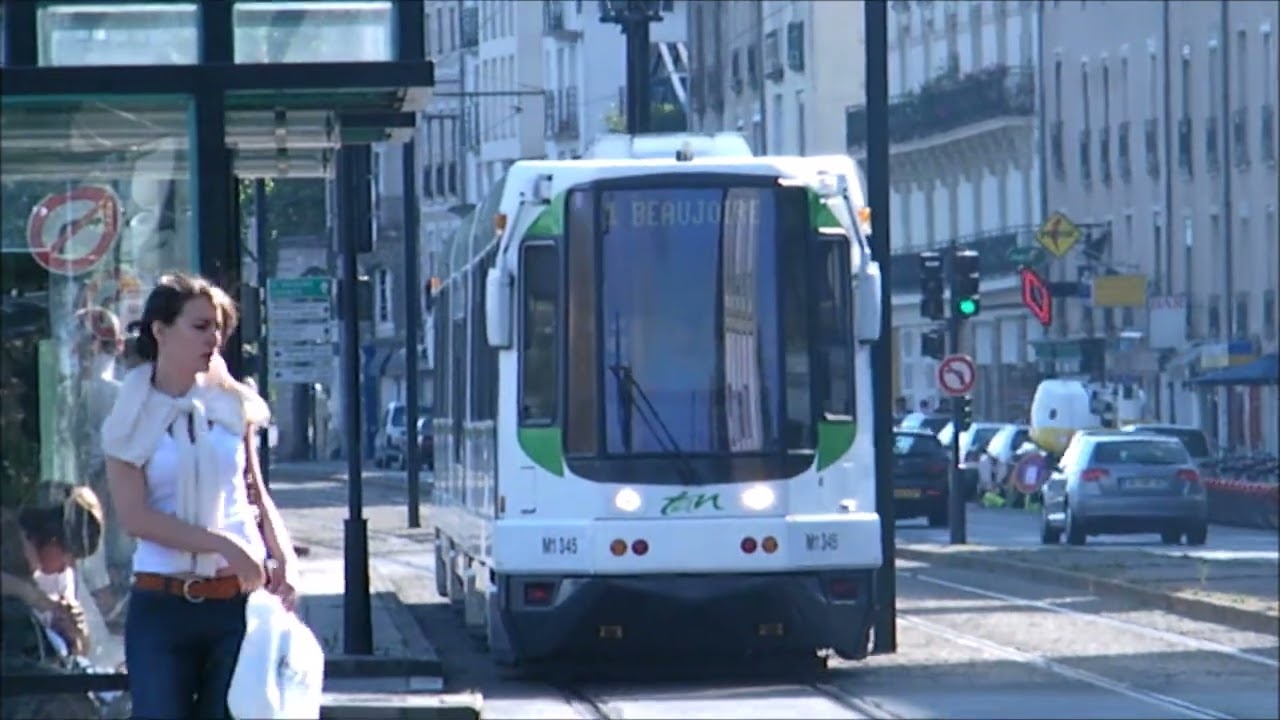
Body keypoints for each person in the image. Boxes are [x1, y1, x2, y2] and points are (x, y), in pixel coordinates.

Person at [101, 272, 301, 719]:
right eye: (200, 326)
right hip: (163, 602)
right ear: (160, 330)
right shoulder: (129, 412)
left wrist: (282, 558)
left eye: (219, 328)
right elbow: (136, 518)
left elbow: (253, 490)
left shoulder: (232, 403)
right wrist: (222, 543)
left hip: (236, 605)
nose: (214, 337)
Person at [0, 485, 105, 657]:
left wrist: (71, 633)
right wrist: (28, 594)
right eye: (69, 555)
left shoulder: (33, 572)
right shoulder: (8, 539)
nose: (69, 566)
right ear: (52, 538)